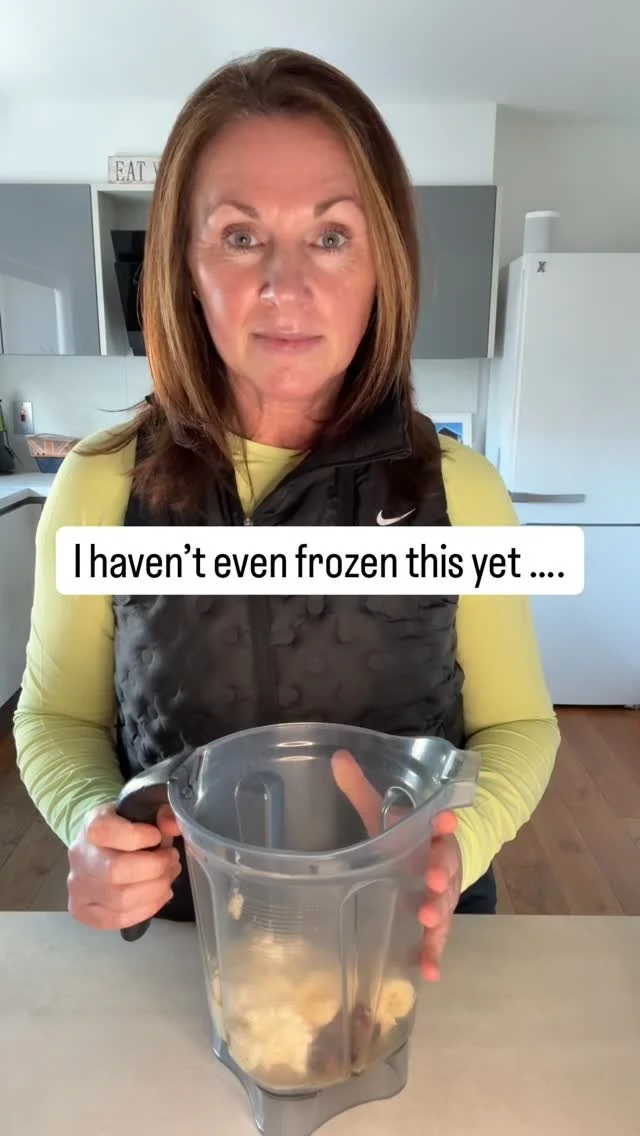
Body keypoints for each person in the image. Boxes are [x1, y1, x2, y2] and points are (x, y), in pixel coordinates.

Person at [13, 48, 559, 983]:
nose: (286, 285)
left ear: (383, 264)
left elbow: (519, 728)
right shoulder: (98, 487)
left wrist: (450, 852)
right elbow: (56, 717)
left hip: (403, 950)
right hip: (186, 956)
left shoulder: (460, 495)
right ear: (186, 265)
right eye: (240, 236)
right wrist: (91, 826)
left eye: (332, 236)